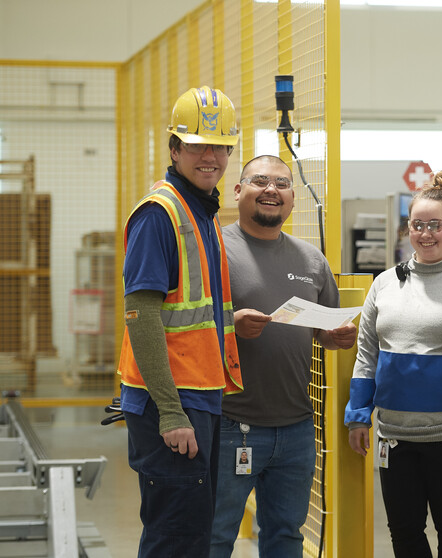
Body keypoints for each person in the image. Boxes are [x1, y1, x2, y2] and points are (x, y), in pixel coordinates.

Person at [117, 85, 243, 557]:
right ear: (175, 148)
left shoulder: (201, 212)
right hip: (171, 403)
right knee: (176, 539)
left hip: (198, 397)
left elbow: (192, 311)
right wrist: (170, 411)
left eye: (219, 146)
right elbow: (141, 314)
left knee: (191, 534)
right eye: (197, 145)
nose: (209, 156)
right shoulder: (161, 213)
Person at [209, 155, 357, 558]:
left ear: (293, 198)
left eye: (282, 184)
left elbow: (323, 330)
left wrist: (334, 336)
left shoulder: (312, 260)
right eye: (260, 181)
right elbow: (181, 323)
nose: (271, 190)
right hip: (229, 424)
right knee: (215, 535)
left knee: (285, 536)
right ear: (237, 192)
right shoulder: (213, 249)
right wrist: (229, 324)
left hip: (295, 428)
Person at [345, 171, 442, 558]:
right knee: (405, 532)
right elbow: (367, 355)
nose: (426, 234)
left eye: (435, 225)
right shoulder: (384, 284)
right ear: (406, 228)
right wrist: (359, 415)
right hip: (394, 438)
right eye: (417, 225)